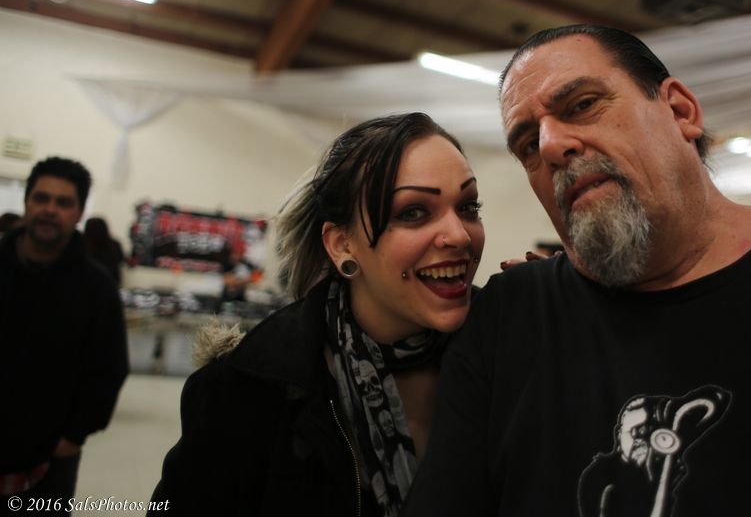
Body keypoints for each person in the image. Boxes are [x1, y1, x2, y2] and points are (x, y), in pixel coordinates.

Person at [403, 25, 751, 517]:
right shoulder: (511, 319)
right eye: (529, 145)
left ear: (680, 111)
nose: (551, 146)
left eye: (582, 105)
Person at [150, 112, 485, 516]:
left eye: (468, 206)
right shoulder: (249, 388)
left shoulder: (510, 352)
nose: (459, 235)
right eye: (413, 212)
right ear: (342, 245)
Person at [0, 157, 128, 515]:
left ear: (79, 212)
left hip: (47, 465)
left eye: (63, 202)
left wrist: (72, 438)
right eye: (41, 198)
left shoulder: (96, 288)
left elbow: (110, 368)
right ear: (26, 202)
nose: (50, 209)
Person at [83, 216, 127, 286]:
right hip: (110, 283)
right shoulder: (114, 244)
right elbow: (121, 260)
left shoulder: (82, 245)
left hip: (86, 283)